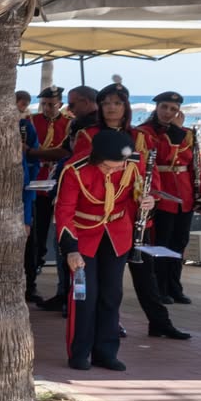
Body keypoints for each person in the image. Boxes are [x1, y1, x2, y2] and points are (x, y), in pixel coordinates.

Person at [68, 85, 190, 341]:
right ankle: (108, 326)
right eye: (106, 103)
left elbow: (150, 174)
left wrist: (150, 198)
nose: (111, 108)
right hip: (100, 217)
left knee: (145, 272)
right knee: (102, 282)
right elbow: (82, 174)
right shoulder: (88, 135)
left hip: (133, 216)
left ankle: (159, 321)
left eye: (117, 103)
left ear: (126, 107)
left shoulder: (139, 136)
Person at [54, 127, 142, 372]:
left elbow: (137, 194)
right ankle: (79, 352)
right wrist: (71, 249)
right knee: (85, 295)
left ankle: (106, 352)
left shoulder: (132, 164)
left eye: (118, 167)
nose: (113, 171)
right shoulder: (74, 169)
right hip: (83, 236)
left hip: (116, 234)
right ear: (96, 159)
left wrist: (147, 202)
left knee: (111, 295)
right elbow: (64, 211)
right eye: (107, 167)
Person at [136, 91, 201, 306]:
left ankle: (175, 287)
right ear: (156, 108)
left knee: (179, 242)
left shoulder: (187, 133)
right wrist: (173, 133)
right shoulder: (145, 132)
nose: (168, 112)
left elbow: (195, 165)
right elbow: (160, 157)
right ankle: (160, 288)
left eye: (173, 109)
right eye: (164, 107)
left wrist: (199, 193)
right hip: (161, 193)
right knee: (160, 243)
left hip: (184, 194)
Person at [23, 86, 73, 304]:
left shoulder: (69, 123)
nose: (47, 108)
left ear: (60, 104)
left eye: (51, 104)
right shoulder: (32, 121)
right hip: (38, 183)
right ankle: (32, 281)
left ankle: (64, 289)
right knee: (37, 236)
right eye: (43, 104)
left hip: (60, 182)